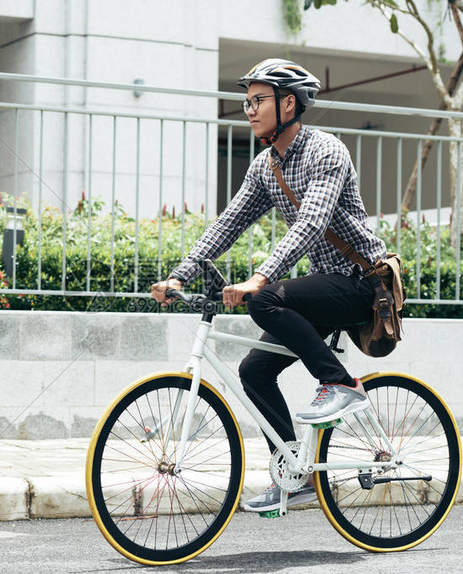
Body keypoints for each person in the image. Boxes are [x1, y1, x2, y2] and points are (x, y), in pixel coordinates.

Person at [150, 58, 388, 514]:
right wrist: (181, 273)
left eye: (258, 100)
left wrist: (260, 279)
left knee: (266, 299)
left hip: (360, 283)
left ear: (289, 103)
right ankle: (292, 474)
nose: (249, 109)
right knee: (254, 372)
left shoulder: (327, 151)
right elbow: (229, 222)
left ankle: (341, 384)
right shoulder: (265, 166)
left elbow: (312, 224)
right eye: (247, 101)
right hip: (323, 287)